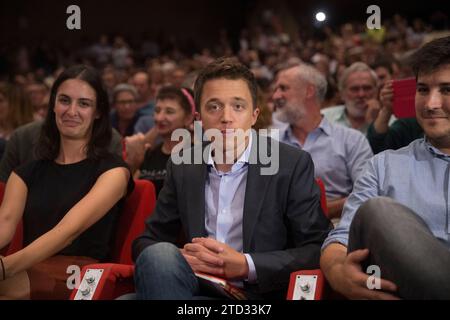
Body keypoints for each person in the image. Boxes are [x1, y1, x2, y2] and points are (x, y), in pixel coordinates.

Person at [132, 57, 332, 300]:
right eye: (214, 106)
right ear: (198, 118)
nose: (226, 117)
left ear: (254, 115)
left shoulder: (291, 164)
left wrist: (245, 264)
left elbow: (316, 249)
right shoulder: (183, 164)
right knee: (158, 258)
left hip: (256, 292)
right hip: (196, 286)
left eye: (238, 106)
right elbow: (147, 240)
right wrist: (181, 257)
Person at [320, 36, 450, 300]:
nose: (431, 104)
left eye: (447, 90)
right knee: (378, 210)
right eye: (423, 89)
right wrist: (337, 272)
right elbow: (340, 238)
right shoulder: (383, 165)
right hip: (402, 290)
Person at [0, 65, 134, 300]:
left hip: (85, 277)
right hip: (29, 269)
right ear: (52, 105)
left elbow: (68, 231)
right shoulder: (24, 174)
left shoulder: (114, 171)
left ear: (98, 112)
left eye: (83, 103)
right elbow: (4, 226)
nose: (71, 111)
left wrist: (6, 267)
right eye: (64, 100)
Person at [272, 64, 373, 219]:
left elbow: (367, 193)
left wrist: (317, 210)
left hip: (337, 230)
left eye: (283, 88)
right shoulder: (266, 141)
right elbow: (258, 196)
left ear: (309, 91)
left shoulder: (352, 140)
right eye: (276, 89)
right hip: (280, 234)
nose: (276, 96)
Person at [126, 86, 194, 196]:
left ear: (188, 118)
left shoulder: (196, 156)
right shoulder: (148, 154)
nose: (159, 118)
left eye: (169, 112)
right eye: (157, 111)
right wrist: (133, 164)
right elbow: (131, 194)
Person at [322, 62, 395, 135]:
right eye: (354, 89)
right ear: (342, 94)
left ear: (376, 91)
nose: (361, 94)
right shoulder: (325, 118)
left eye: (367, 88)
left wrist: (376, 123)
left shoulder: (391, 122)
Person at [367, 80, 424, 154]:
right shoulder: (408, 125)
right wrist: (386, 109)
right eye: (423, 90)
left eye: (443, 90)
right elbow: (377, 145)